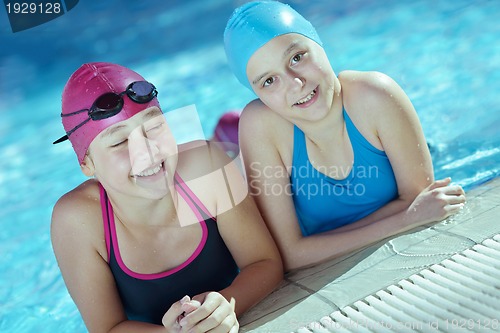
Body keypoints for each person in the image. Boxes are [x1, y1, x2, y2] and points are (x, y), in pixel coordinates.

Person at [223, 1, 466, 271]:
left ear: (318, 41)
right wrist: (406, 219)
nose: (295, 83)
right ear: (257, 93)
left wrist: (412, 211)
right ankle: (228, 139)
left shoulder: (375, 95)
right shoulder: (260, 125)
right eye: (269, 81)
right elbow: (290, 256)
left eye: (297, 57)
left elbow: (422, 197)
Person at [50, 62, 283, 332]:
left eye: (153, 127)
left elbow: (264, 262)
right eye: (119, 143)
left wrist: (229, 304)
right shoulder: (79, 220)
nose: (146, 152)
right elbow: (108, 327)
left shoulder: (206, 165)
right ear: (87, 164)